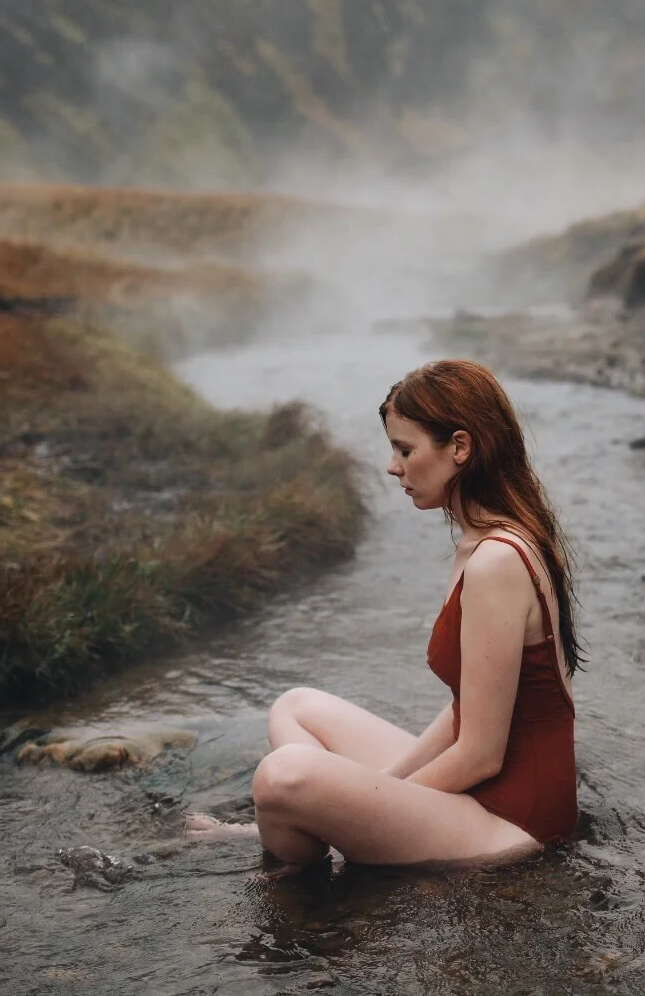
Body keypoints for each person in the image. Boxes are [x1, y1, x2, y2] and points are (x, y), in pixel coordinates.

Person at [188, 359, 580, 874]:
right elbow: (471, 704)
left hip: (512, 821)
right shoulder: (483, 541)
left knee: (281, 776)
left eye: (405, 449)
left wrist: (373, 800)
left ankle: (297, 843)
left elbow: (481, 755)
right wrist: (375, 795)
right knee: (296, 706)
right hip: (485, 790)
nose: (393, 466)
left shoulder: (497, 561)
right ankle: (301, 823)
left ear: (460, 448)